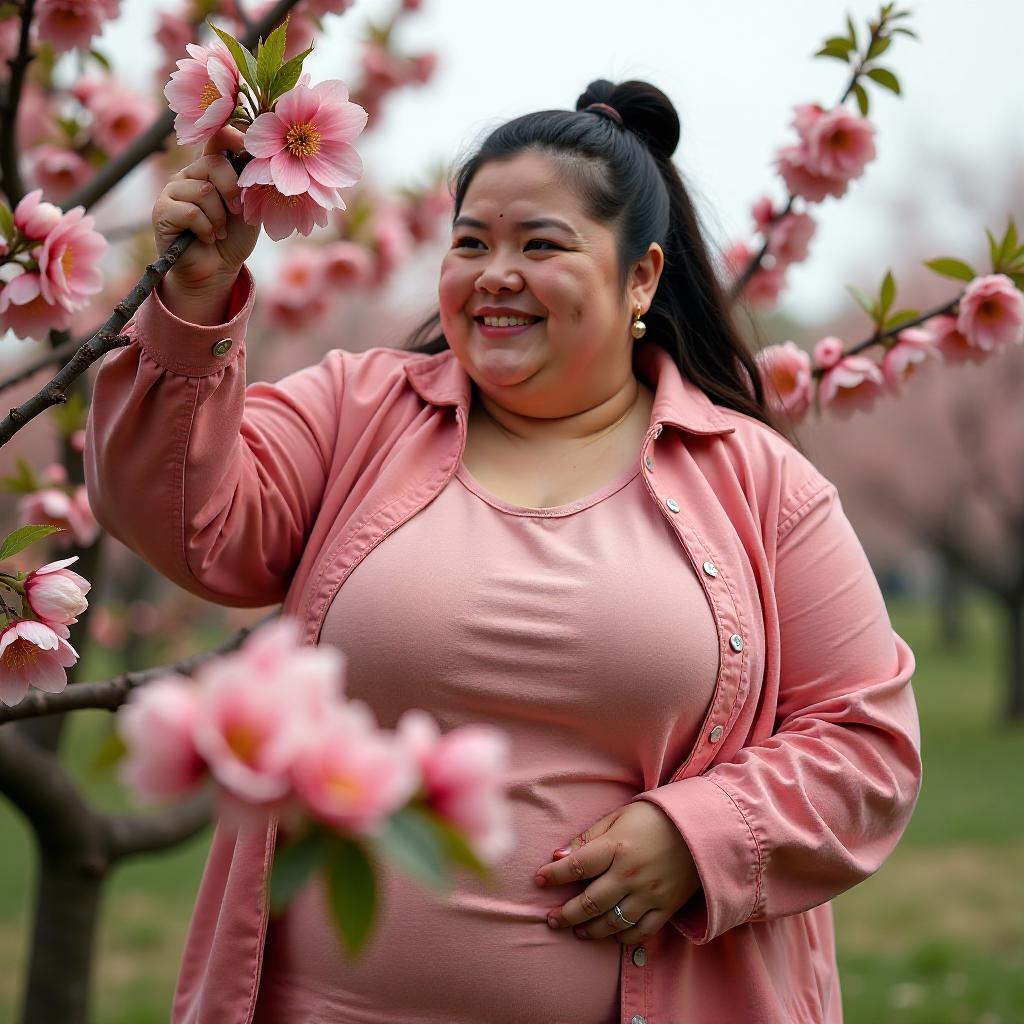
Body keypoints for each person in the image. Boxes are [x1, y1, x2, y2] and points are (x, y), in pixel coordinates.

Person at [84, 78, 923, 1024]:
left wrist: (702, 837)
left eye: (542, 245)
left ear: (639, 276)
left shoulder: (761, 486)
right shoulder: (358, 412)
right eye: (471, 242)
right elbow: (175, 514)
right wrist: (192, 301)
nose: (495, 274)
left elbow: (868, 746)